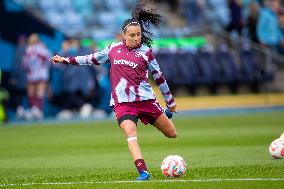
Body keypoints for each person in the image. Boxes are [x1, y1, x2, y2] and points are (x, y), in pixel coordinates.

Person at [50, 2, 177, 181]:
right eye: (132, 35)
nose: (136, 38)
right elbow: (90, 59)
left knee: (172, 134)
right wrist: (65, 60)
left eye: (139, 35)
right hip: (123, 103)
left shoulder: (146, 52)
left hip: (145, 101)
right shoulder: (113, 49)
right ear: (123, 35)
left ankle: (165, 114)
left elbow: (159, 78)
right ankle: (143, 171)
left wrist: (170, 103)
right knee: (130, 131)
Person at [22, 33, 51, 120]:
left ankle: (35, 109)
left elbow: (24, 64)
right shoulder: (42, 48)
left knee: (32, 92)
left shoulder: (28, 49)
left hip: (32, 73)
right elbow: (48, 59)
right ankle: (38, 110)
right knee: (39, 92)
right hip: (41, 73)